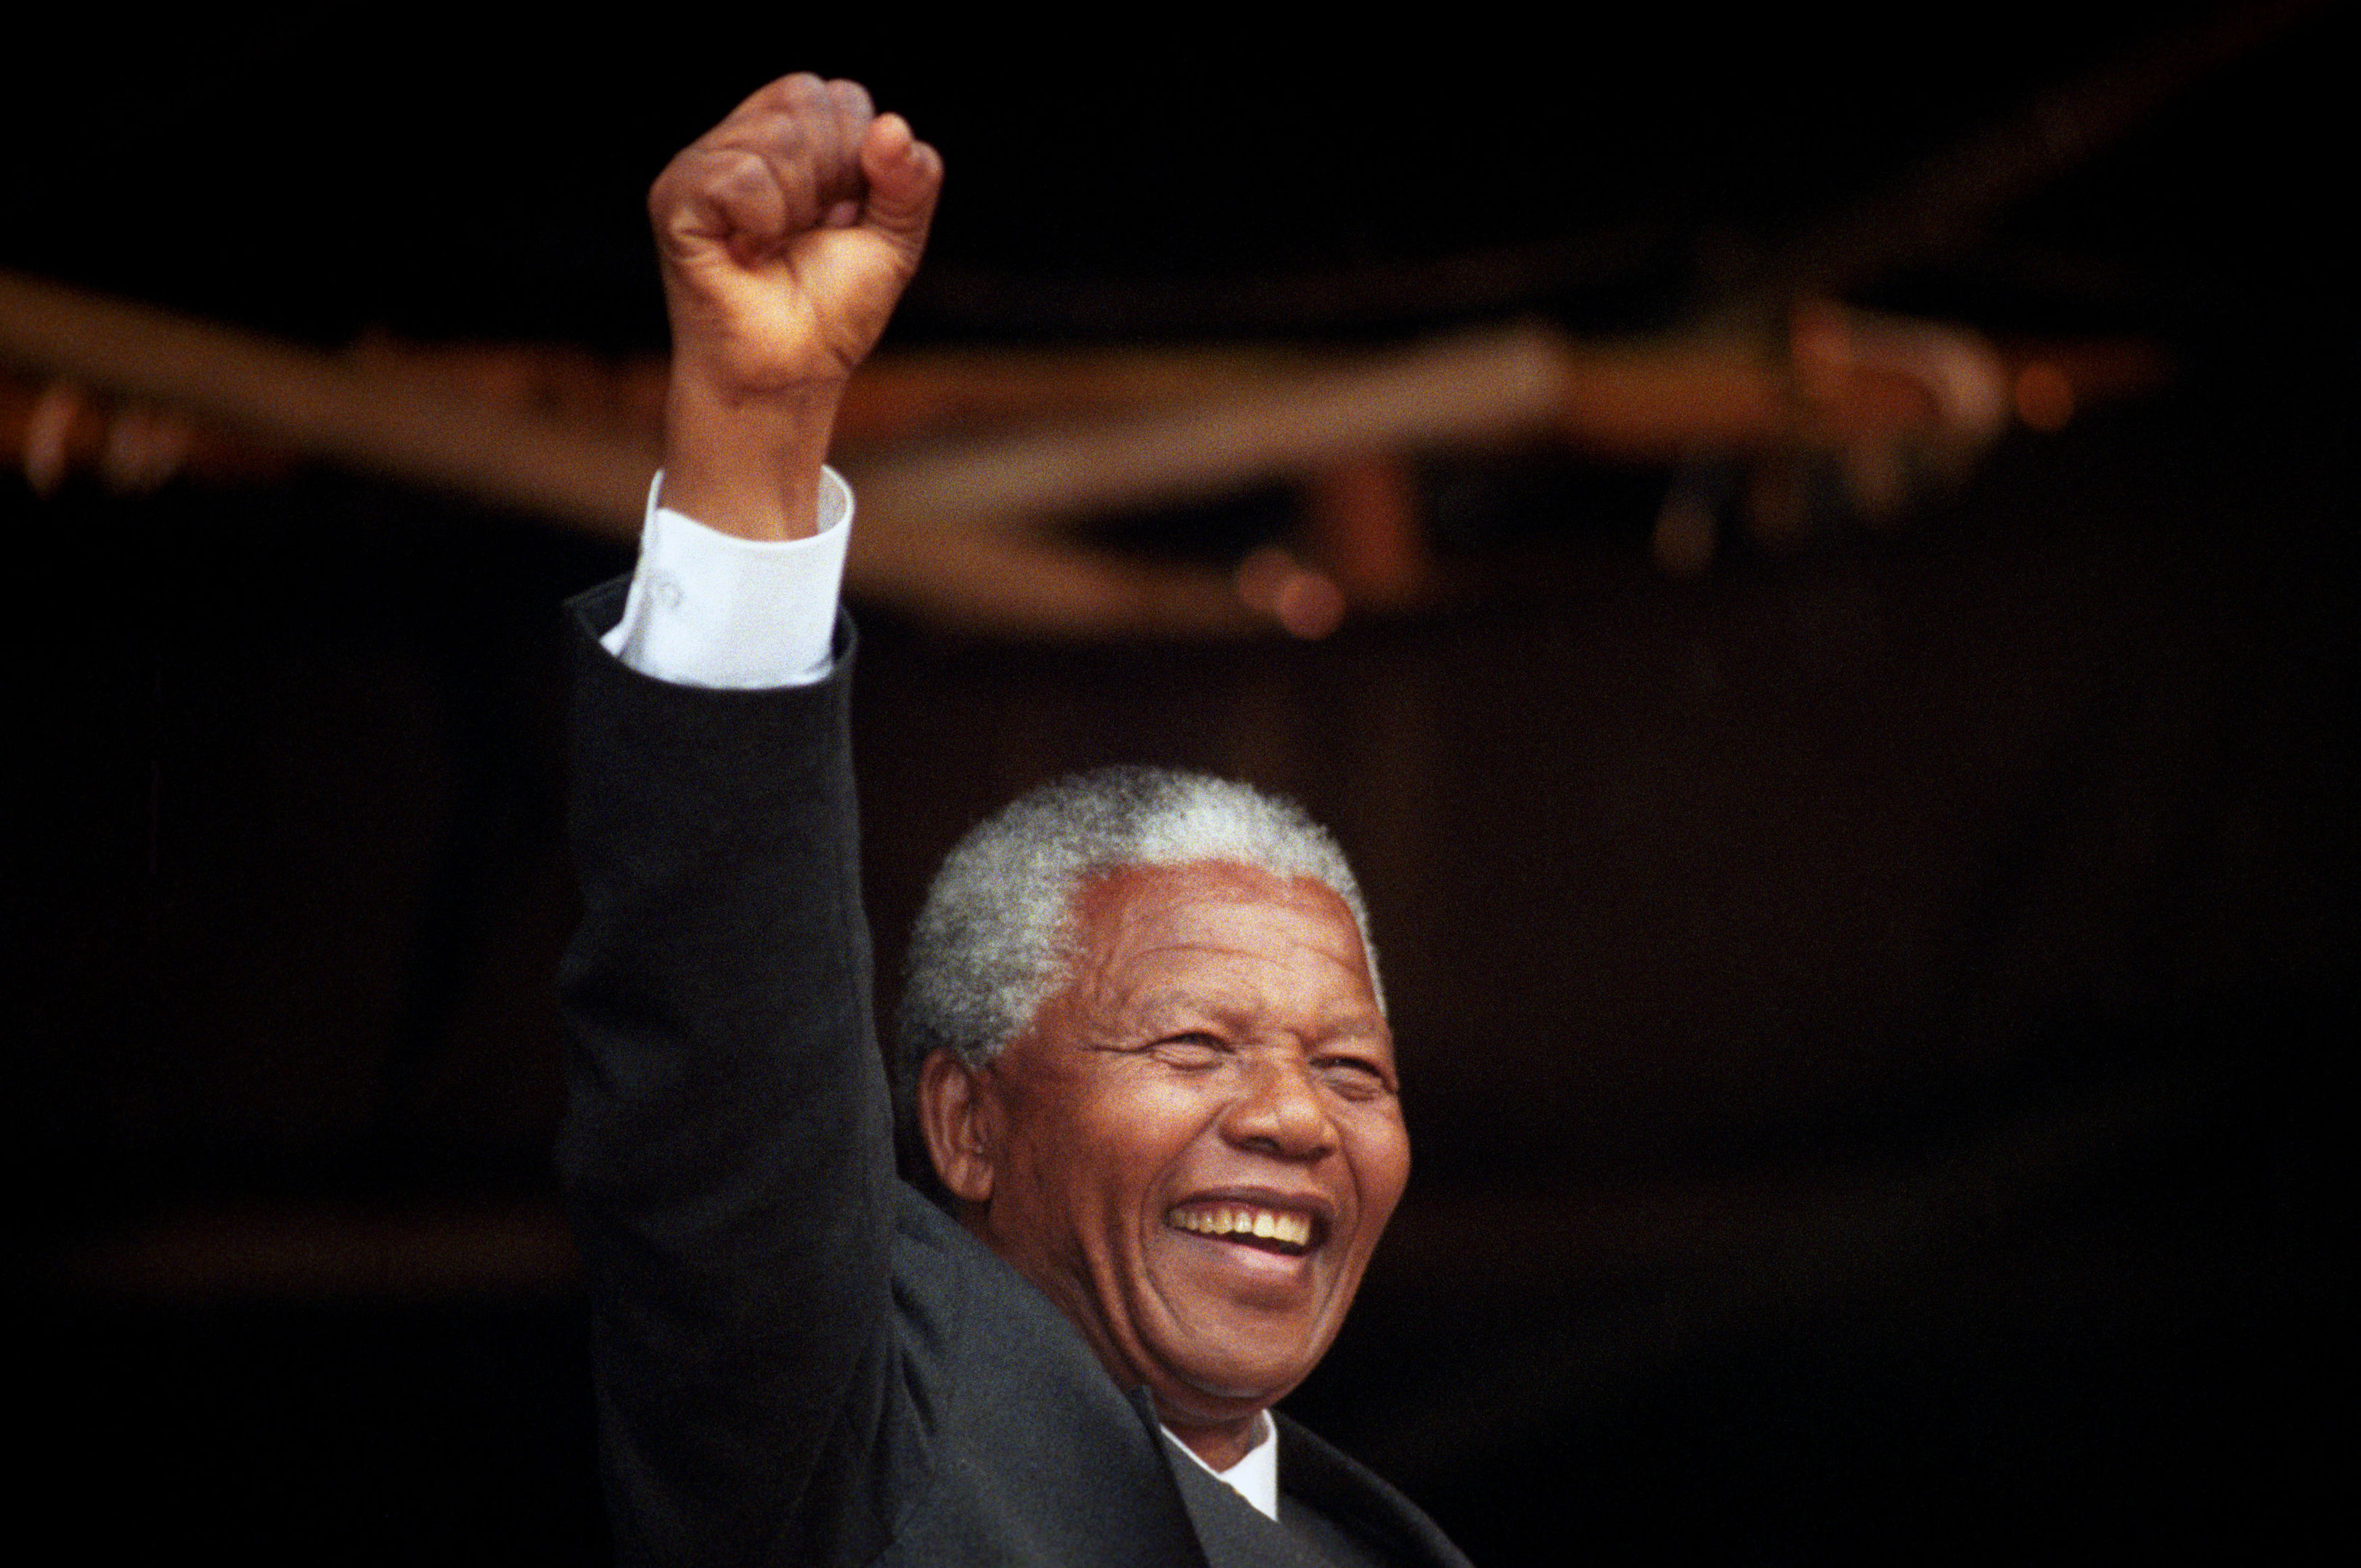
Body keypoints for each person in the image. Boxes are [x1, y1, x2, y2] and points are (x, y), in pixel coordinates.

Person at [559, 73, 1472, 1565]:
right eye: (1192, 1046)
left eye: (1355, 1072)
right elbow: (721, 1090)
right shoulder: (864, 1446)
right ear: (968, 1126)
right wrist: (754, 429)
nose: (1298, 1120)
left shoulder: (1374, 1546)